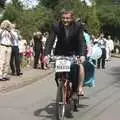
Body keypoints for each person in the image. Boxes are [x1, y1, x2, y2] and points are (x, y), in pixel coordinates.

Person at [44, 10, 86, 96]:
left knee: (75, 71)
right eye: (63, 18)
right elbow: (50, 40)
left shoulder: (78, 26)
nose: (65, 20)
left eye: (67, 18)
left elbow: (82, 41)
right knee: (57, 76)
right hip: (60, 52)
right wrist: (46, 54)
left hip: (74, 51)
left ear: (72, 18)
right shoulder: (56, 26)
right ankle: (61, 88)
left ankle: (75, 90)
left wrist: (82, 55)